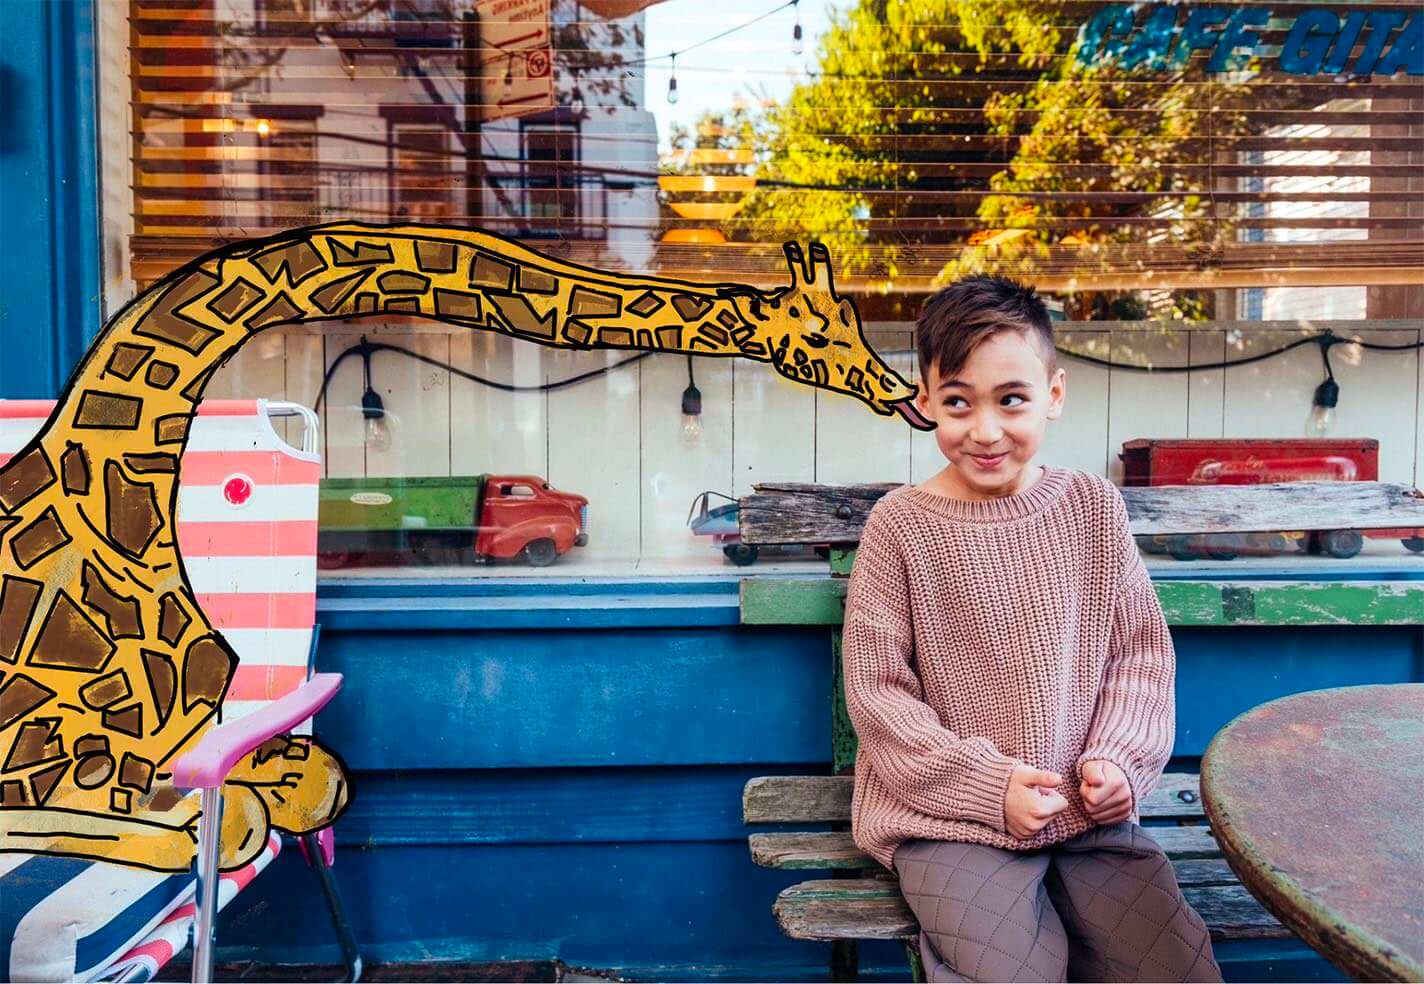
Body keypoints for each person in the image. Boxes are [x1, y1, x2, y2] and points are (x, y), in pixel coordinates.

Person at [842, 276, 1223, 983]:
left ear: (1052, 394)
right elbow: (879, 694)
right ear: (925, 403)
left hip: (1086, 808)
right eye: (958, 401)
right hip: (948, 820)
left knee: (1171, 963)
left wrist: (1119, 761)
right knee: (1010, 971)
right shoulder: (900, 525)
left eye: (1010, 399)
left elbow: (1138, 656)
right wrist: (990, 790)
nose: (985, 430)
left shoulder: (1091, 508)